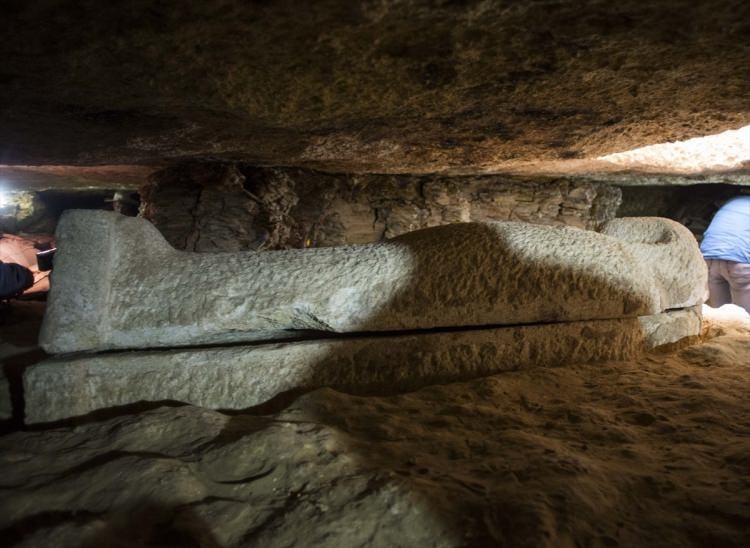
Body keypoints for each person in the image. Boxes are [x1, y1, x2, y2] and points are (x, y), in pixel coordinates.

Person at [700, 195, 750, 312]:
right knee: (745, 323)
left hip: (708, 259)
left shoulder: (735, 201)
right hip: (738, 262)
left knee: (721, 320)